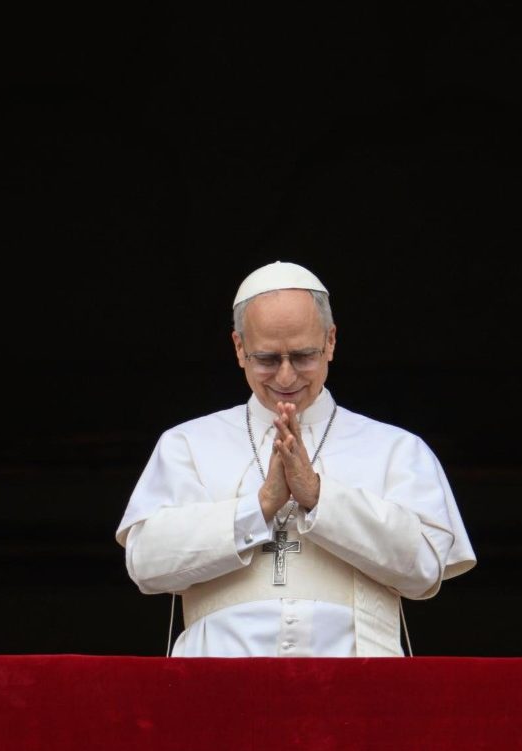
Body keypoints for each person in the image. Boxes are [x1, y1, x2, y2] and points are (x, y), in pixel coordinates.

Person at [116, 261, 475, 657]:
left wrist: (319, 496)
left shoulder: (397, 449)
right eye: (267, 359)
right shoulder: (187, 444)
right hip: (216, 677)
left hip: (355, 680)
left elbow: (425, 569)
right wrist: (258, 508)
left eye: (303, 356)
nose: (286, 377)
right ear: (239, 348)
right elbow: (146, 563)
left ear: (331, 341)